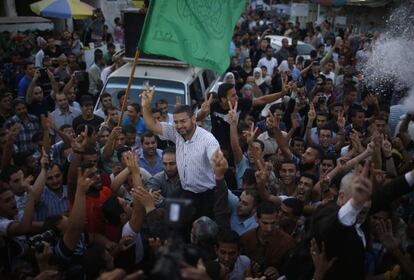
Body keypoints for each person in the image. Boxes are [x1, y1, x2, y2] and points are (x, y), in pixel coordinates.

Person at [141, 86, 220, 218]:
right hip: (185, 192)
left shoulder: (208, 140)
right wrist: (146, 106)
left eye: (183, 121)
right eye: (176, 122)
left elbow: (217, 166)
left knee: (202, 231)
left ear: (194, 119)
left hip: (206, 196)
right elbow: (152, 125)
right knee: (177, 226)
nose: (179, 126)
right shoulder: (176, 133)